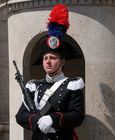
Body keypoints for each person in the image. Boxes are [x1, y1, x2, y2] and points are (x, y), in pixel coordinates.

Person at [15, 4, 85, 140]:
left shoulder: (72, 85)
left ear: (63, 61)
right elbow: (20, 116)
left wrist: (54, 119)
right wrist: (35, 120)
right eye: (45, 58)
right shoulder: (34, 86)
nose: (48, 61)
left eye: (53, 58)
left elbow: (77, 116)